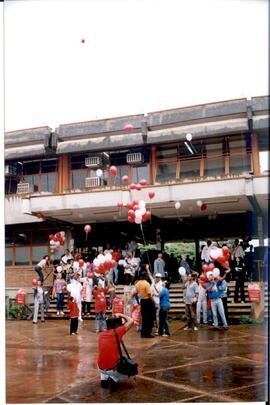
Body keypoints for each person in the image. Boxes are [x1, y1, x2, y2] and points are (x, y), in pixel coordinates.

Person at [97, 313, 134, 387]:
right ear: (117, 324)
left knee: (104, 358)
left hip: (100, 367)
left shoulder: (101, 334)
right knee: (125, 366)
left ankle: (104, 378)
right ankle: (114, 378)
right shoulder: (118, 331)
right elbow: (131, 321)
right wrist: (121, 314)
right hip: (112, 369)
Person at [134, 269, 155, 338]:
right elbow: (149, 294)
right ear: (146, 276)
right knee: (149, 318)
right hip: (147, 301)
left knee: (144, 318)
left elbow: (135, 293)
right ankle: (147, 334)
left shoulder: (138, 283)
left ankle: (143, 334)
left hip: (142, 301)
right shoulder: (146, 284)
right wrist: (153, 301)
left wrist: (138, 301)